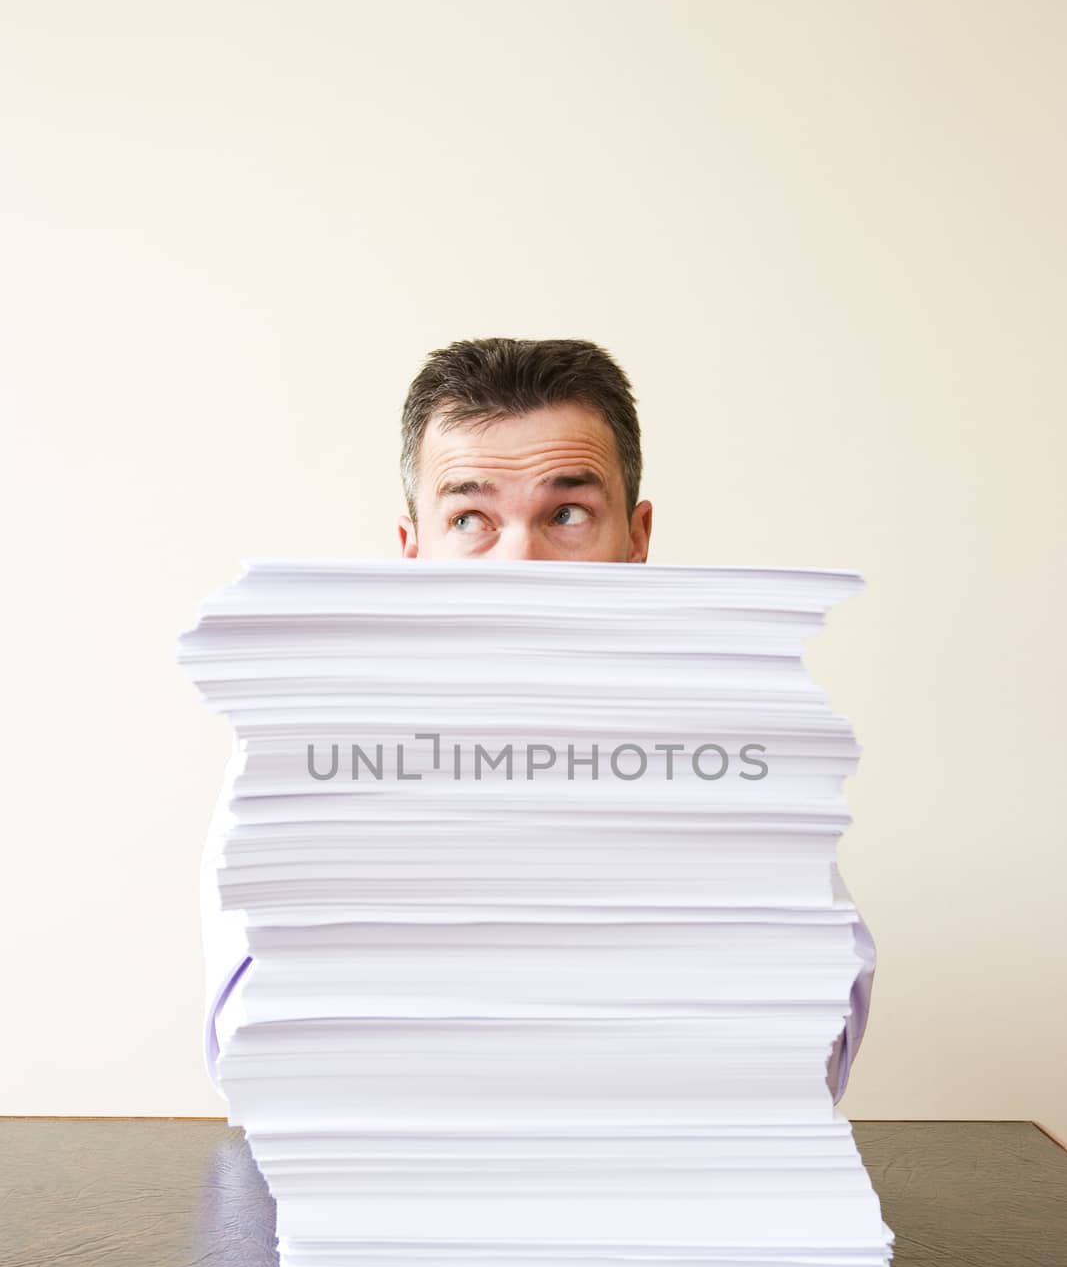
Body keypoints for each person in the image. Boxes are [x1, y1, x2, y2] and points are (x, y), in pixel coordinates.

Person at [202, 338, 874, 1101]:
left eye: (566, 513)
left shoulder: (734, 743)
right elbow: (258, 1055)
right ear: (411, 549)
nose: (520, 562)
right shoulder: (304, 754)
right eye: (469, 519)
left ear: (636, 539)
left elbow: (811, 1045)